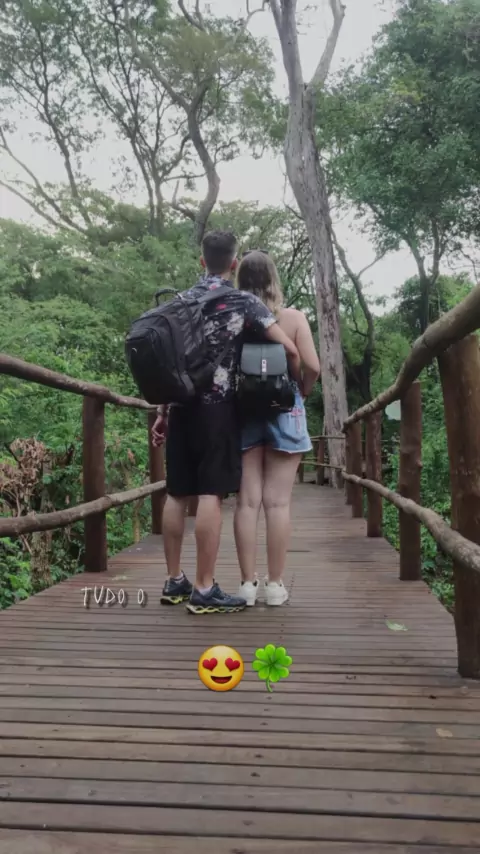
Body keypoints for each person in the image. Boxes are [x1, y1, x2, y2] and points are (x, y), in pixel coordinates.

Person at [151, 231, 301, 615]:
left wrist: (163, 412)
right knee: (209, 493)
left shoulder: (180, 301)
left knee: (176, 492)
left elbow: (172, 361)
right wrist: (294, 385)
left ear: (202, 261)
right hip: (217, 408)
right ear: (233, 264)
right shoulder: (243, 301)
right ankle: (204, 588)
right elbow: (287, 347)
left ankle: (174, 580)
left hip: (180, 405)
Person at [233, 250, 320, 607]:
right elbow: (313, 366)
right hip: (286, 410)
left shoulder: (235, 318)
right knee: (278, 502)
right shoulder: (294, 318)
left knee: (247, 501)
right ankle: (274, 585)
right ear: (274, 279)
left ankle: (246, 585)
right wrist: (302, 391)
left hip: (244, 411)